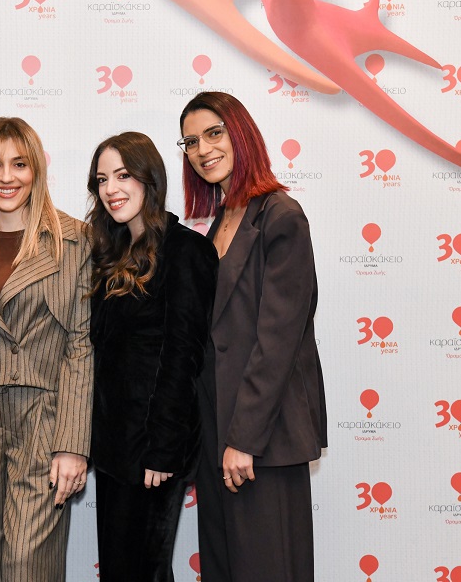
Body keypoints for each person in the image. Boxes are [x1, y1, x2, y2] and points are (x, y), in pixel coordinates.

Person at [178, 92, 327, 582]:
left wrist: (243, 439)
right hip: (215, 436)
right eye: (191, 142)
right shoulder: (219, 222)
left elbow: (276, 344)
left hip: (263, 442)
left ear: (241, 134)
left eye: (213, 134)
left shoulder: (281, 216)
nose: (203, 149)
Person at [0, 117, 93, 582]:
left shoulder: (74, 241)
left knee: (31, 564)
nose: (6, 177)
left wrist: (73, 444)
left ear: (36, 170)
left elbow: (81, 345)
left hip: (42, 418)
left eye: (19, 164)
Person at [87, 132, 218, 582]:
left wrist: (162, 449)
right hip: (113, 446)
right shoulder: (110, 253)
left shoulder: (186, 250)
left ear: (150, 180)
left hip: (153, 450)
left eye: (123, 175)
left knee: (145, 571)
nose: (111, 189)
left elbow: (184, 354)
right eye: (102, 179)